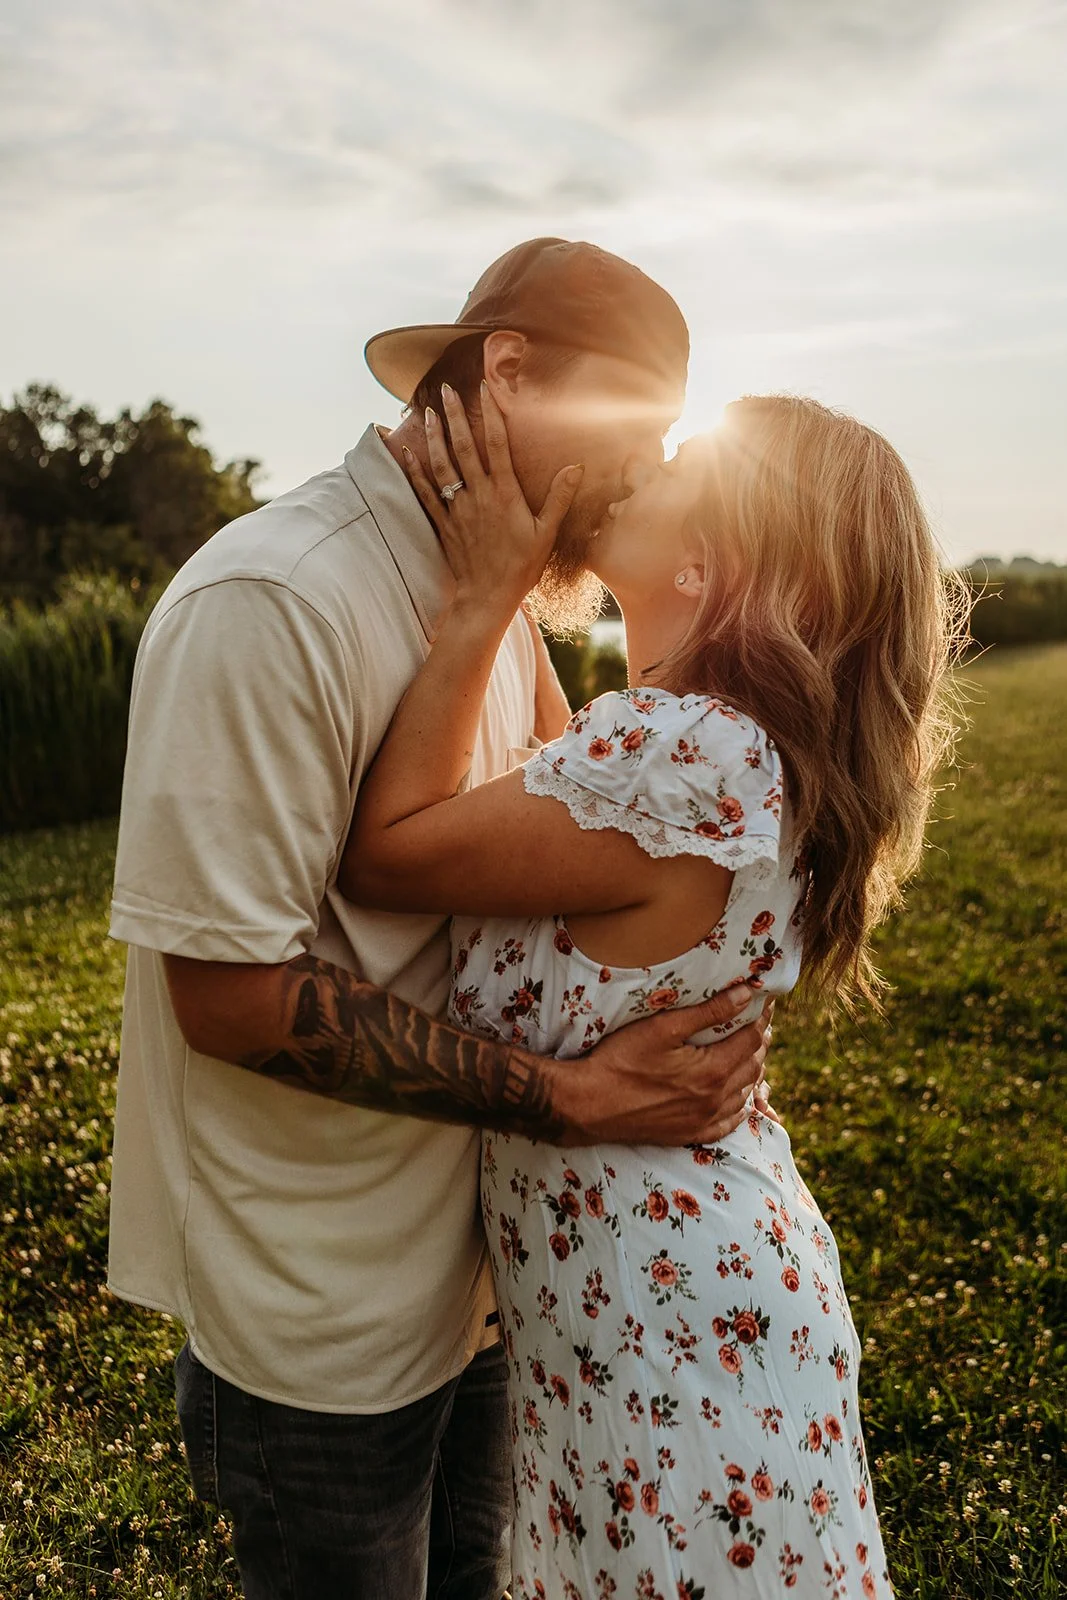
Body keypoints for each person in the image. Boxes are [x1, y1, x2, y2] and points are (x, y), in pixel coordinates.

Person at [105, 238, 773, 1600]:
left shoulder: (504, 603)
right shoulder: (275, 601)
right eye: (632, 433)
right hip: (327, 1329)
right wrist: (573, 1099)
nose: (646, 473)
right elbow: (228, 996)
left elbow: (554, 860)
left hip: (483, 1288)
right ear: (510, 374)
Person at [341, 382, 966, 1597]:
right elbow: (545, 798)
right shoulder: (688, 742)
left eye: (679, 459)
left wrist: (477, 600)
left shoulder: (685, 753)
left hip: (662, 1314)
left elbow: (390, 851)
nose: (643, 462)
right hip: (661, 1294)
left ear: (711, 555)